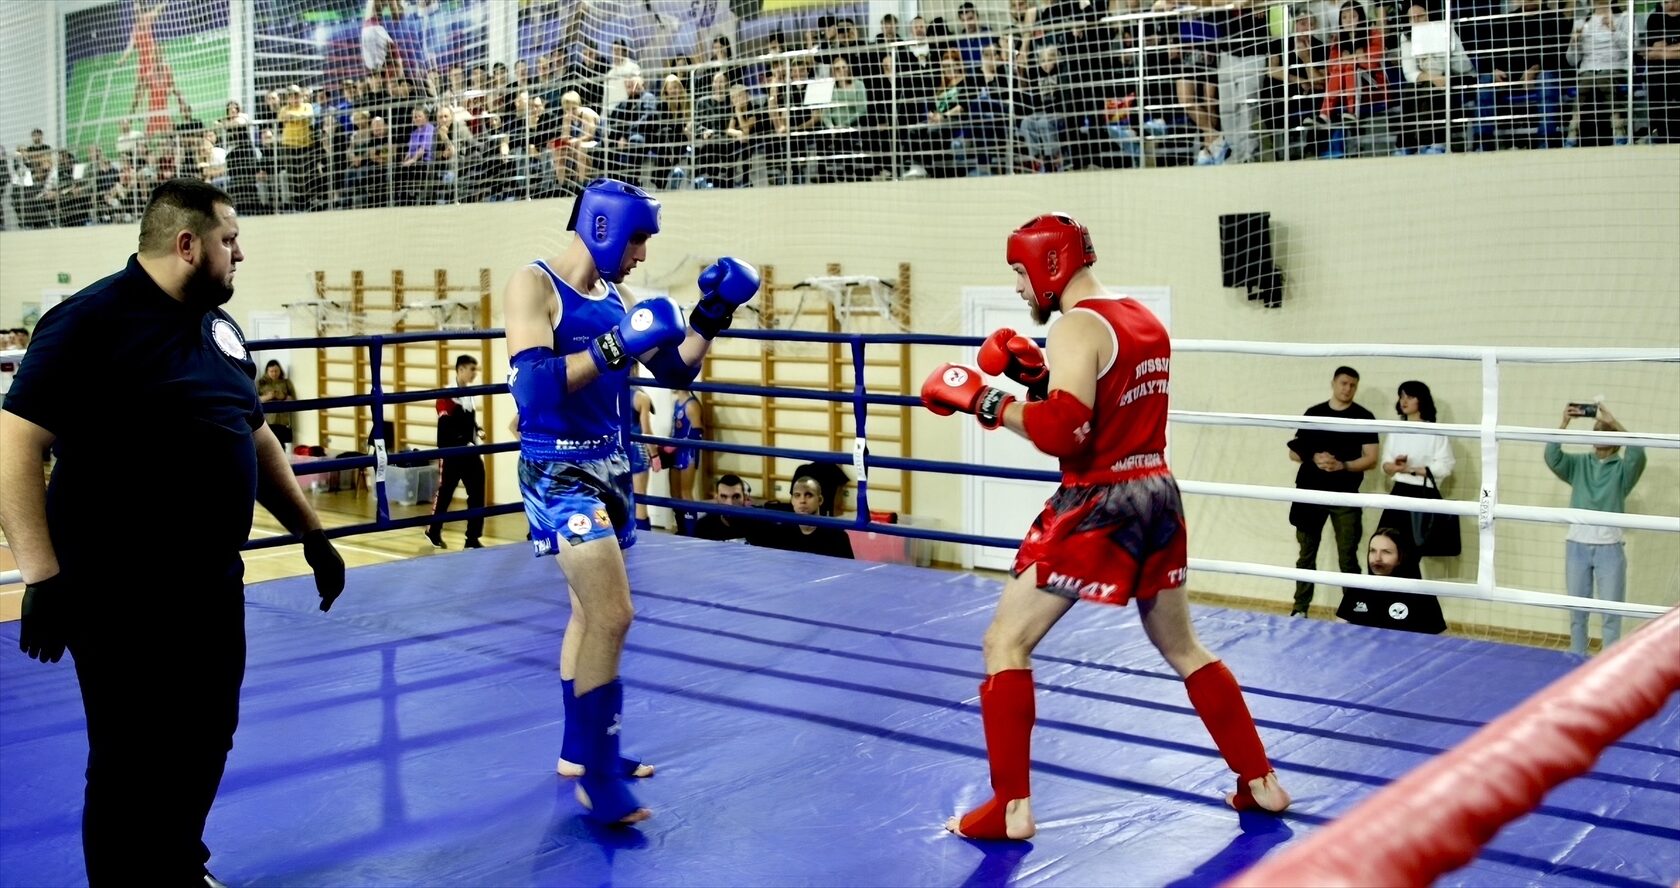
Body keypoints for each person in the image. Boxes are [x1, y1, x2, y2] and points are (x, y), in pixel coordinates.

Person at [0, 179, 346, 885]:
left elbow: (255, 435)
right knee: (130, 756)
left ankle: (177, 862)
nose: (239, 253)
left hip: (210, 582)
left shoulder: (219, 329)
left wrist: (311, 534)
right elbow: (13, 443)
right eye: (229, 239)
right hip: (116, 589)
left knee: (208, 733)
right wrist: (41, 576)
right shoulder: (90, 320)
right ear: (188, 245)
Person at [918, 213, 1289, 841]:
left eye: (1019, 272)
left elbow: (1067, 433)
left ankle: (1010, 808)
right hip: (1156, 493)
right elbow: (1105, 408)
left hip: (1099, 503)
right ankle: (1261, 781)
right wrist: (1036, 379)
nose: (1017, 286)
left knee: (1005, 643)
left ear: (1050, 265)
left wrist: (987, 400)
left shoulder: (1074, 327)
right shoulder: (1141, 320)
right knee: (1183, 647)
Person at [503, 177, 758, 824]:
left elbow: (675, 370)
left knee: (587, 616)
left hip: (613, 464)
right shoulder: (532, 285)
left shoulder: (620, 298)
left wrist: (713, 313)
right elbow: (533, 391)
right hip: (558, 470)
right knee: (613, 614)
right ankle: (598, 777)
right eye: (637, 239)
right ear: (603, 227)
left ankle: (579, 753)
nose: (643, 254)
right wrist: (617, 344)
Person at [1545, 401, 1646, 655]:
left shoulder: (1623, 470)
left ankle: (1609, 663)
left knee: (1611, 614)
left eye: (1605, 430)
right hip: (1577, 545)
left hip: (1610, 548)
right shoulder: (1579, 464)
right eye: (1596, 430)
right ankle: (1577, 660)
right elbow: (1552, 456)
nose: (1599, 434)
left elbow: (1638, 453)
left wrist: (1614, 423)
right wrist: (1565, 422)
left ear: (1615, 438)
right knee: (1577, 613)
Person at [1286, 366, 1378, 617]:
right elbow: (1293, 451)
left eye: (1353, 385)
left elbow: (1371, 458)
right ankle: (1300, 609)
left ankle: (1355, 611)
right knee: (1306, 555)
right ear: (1334, 383)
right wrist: (1314, 457)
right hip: (1309, 492)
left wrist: (1342, 465)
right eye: (1344, 383)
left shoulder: (1364, 416)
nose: (1347, 389)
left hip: (1344, 494)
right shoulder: (1314, 413)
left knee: (1348, 556)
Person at [1377, 380, 1458, 563]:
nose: (1404, 401)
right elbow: (1385, 465)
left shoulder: (1435, 431)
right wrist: (1395, 467)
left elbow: (1446, 465)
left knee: (1412, 552)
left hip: (1422, 493)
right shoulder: (1396, 430)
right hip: (1398, 491)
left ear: (1421, 400)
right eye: (1401, 396)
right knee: (1388, 546)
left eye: (1410, 396)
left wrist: (1413, 470)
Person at [1336, 527, 1446, 634]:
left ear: (1400, 557)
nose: (1377, 558)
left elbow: (1439, 641)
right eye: (1373, 551)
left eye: (1386, 552)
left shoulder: (1421, 594)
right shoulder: (1358, 588)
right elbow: (1338, 631)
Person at [426, 354, 486, 549]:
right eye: (471, 369)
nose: (474, 373)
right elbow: (446, 425)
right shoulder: (446, 395)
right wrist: (461, 441)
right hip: (451, 452)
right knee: (445, 493)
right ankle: (433, 531)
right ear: (460, 369)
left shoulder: (469, 394)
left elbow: (468, 421)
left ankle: (472, 538)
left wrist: (478, 430)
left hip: (469, 452)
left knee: (477, 492)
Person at [750, 474, 854, 559]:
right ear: (792, 501)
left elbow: (849, 573)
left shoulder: (837, 537)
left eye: (809, 495)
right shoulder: (783, 533)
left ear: (820, 500)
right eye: (797, 495)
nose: (802, 501)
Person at [660, 385, 703, 534]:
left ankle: (691, 533)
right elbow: (675, 429)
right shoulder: (676, 403)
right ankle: (681, 529)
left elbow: (697, 433)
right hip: (675, 452)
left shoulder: (692, 405)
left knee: (686, 493)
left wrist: (677, 444)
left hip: (688, 452)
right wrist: (666, 444)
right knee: (675, 493)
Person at [625, 373, 656, 531]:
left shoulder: (611, 390)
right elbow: (646, 431)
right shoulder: (640, 397)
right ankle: (645, 540)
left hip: (618, 449)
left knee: (621, 497)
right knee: (640, 497)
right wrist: (655, 454)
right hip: (637, 450)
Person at [693, 473, 754, 542]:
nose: (730, 504)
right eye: (724, 497)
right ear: (716, 498)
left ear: (745, 498)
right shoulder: (704, 526)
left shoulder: (757, 525)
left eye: (736, 497)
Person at [257, 358, 298, 447]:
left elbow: (293, 399)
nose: (274, 373)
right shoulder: (261, 383)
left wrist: (283, 397)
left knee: (281, 446)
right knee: (268, 446)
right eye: (271, 371)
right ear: (267, 372)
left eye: (276, 371)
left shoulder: (286, 382)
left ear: (280, 370)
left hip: (282, 421)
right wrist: (267, 397)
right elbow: (255, 400)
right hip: (267, 421)